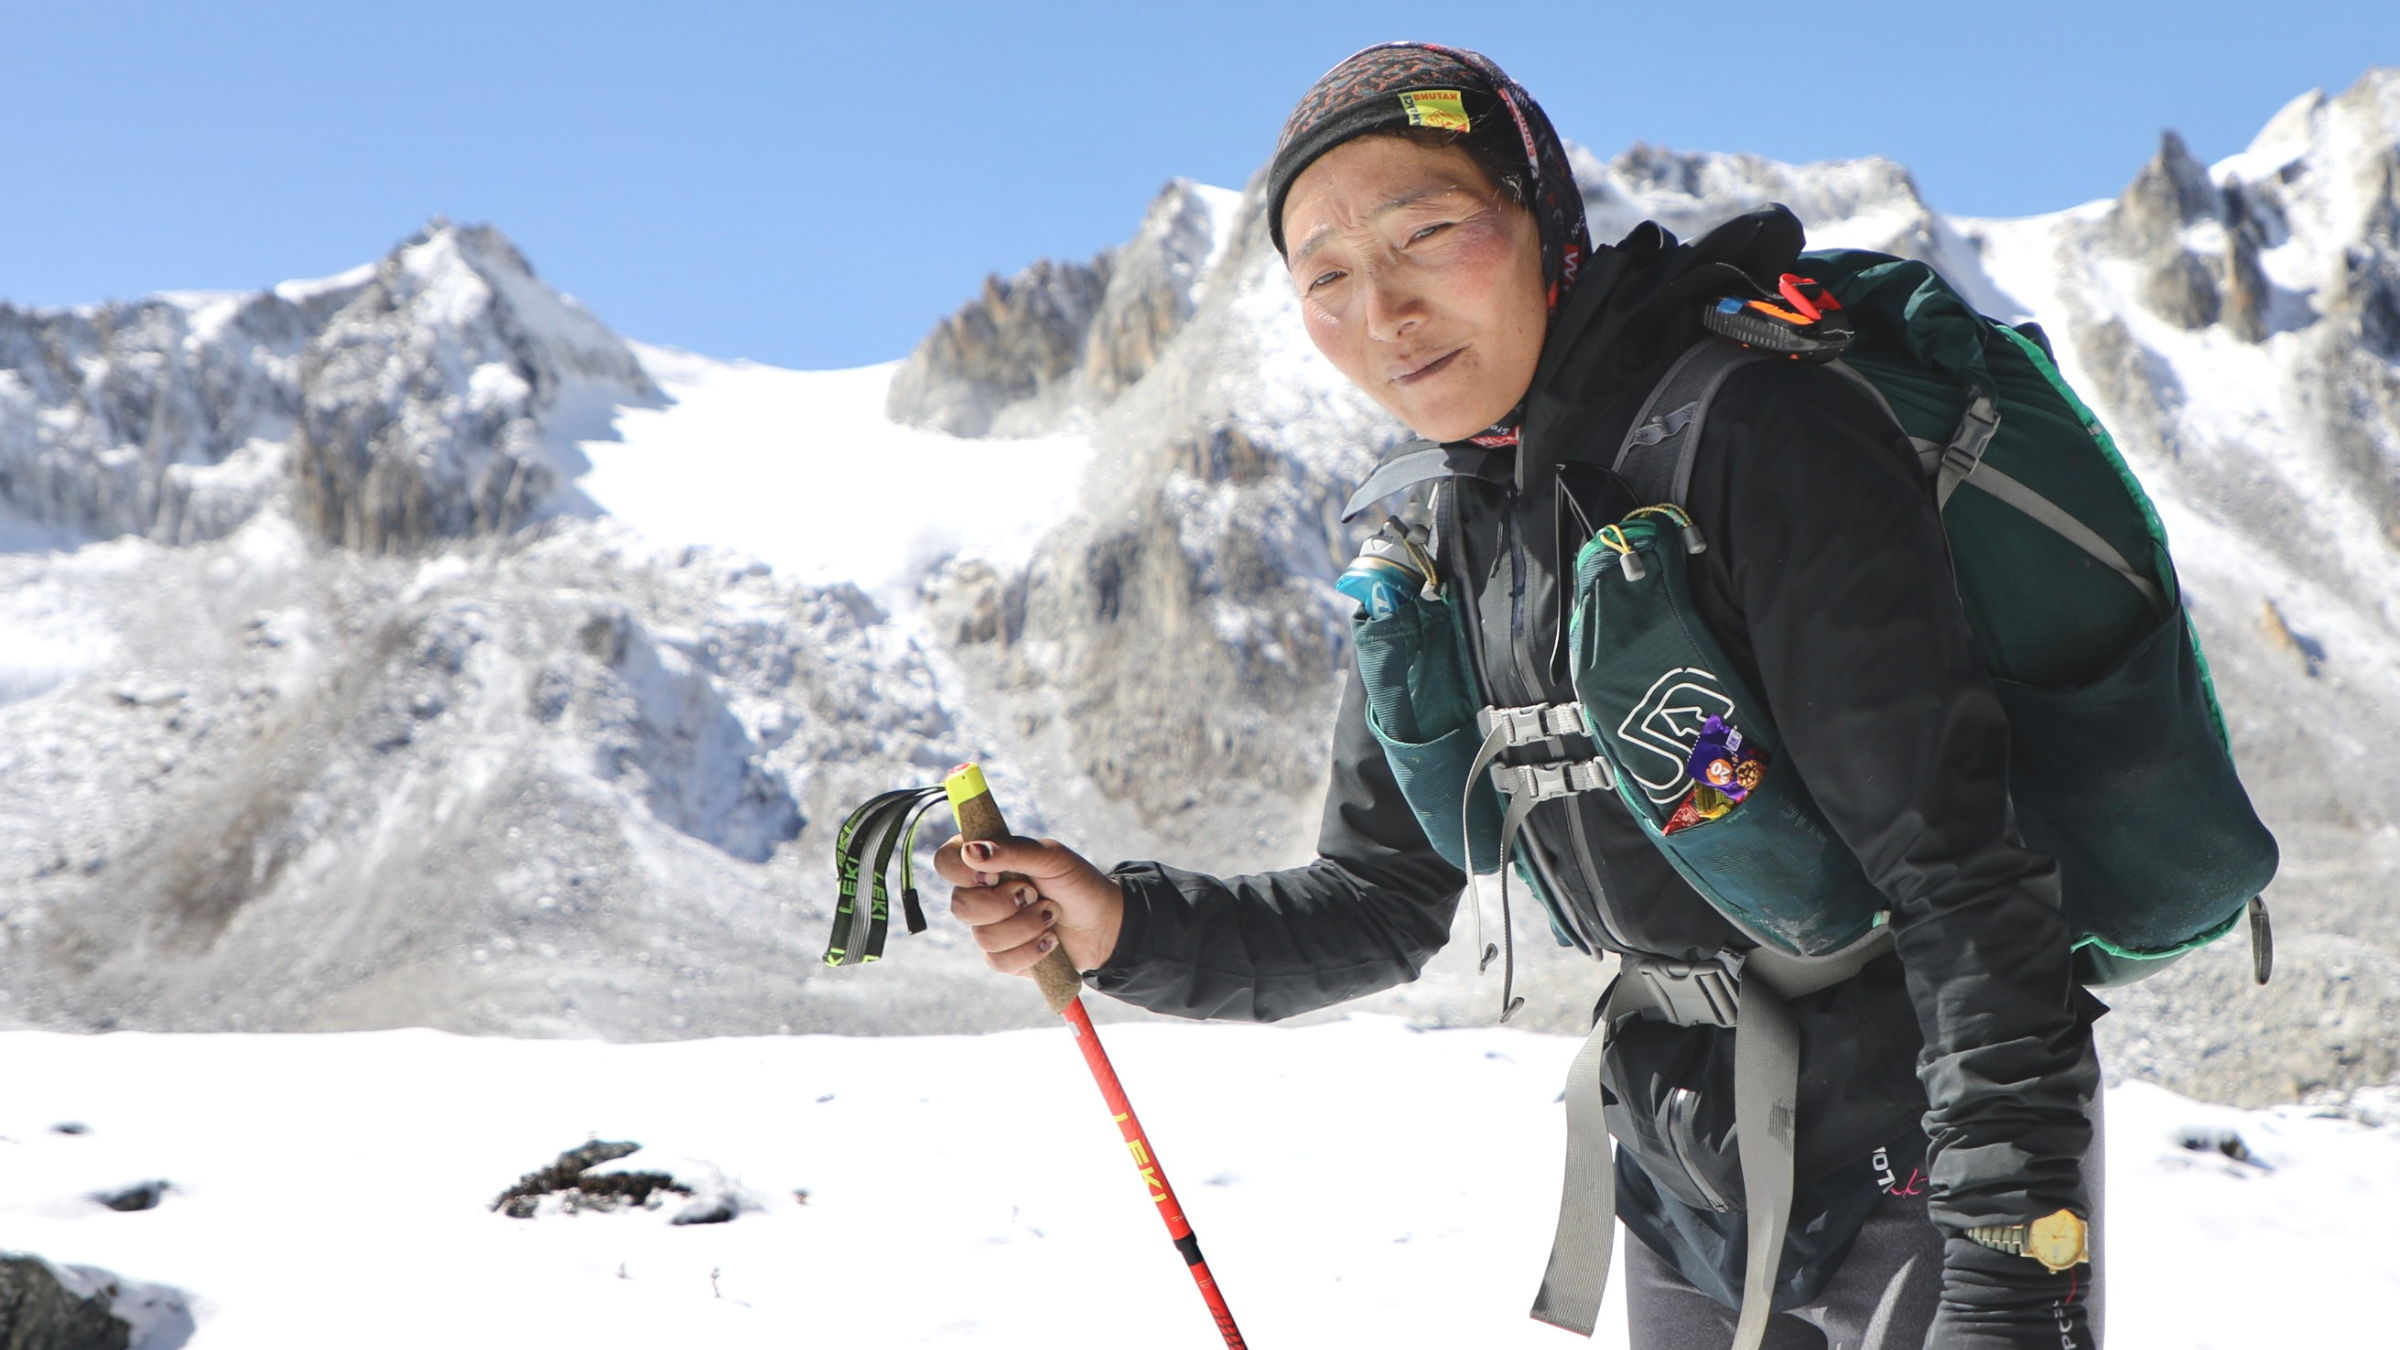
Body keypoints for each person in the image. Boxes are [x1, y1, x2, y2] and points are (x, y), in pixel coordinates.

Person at [934, 42, 2103, 1350]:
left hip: (1921, 1168)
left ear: (1542, 215)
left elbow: (1965, 883)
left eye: (1427, 233)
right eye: (1324, 279)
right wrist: (1116, 925)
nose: (1381, 312)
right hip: (1679, 1178)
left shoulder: (1759, 436)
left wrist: (2013, 1272)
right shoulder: (1430, 533)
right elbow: (1378, 903)